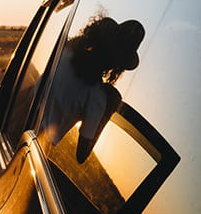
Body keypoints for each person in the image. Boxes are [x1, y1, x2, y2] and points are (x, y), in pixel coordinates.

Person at [41, 15, 145, 163]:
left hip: (19, 122)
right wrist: (109, 109)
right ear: (118, 66)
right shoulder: (97, 99)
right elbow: (81, 155)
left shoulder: (64, 52)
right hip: (37, 144)